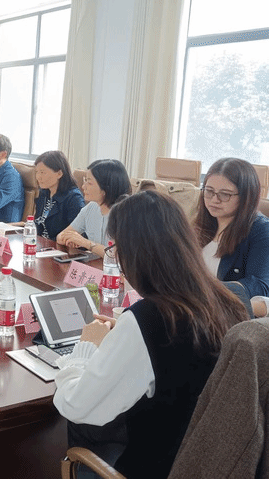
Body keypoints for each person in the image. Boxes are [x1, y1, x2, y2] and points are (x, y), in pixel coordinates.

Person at [53, 190, 248, 479]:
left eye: (115, 248)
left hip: (154, 467)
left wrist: (85, 348)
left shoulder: (148, 320)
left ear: (134, 251)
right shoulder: (229, 301)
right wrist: (127, 337)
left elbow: (76, 405)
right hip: (211, 464)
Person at [194, 157, 269, 317]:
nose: (214, 200)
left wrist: (205, 291)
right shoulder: (200, 223)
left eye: (225, 194)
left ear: (246, 196)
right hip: (194, 308)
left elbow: (260, 287)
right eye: (209, 191)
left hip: (224, 315)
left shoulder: (261, 230)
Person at [57, 159, 130, 257]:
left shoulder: (126, 214)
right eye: (85, 180)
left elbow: (117, 256)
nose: (83, 186)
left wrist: (85, 243)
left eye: (89, 182)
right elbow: (60, 236)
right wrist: (70, 239)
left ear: (106, 188)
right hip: (95, 264)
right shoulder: (91, 207)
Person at [32, 150, 85, 239]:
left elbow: (77, 234)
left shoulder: (74, 198)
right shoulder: (44, 193)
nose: (38, 177)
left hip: (59, 245)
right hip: (40, 243)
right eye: (37, 172)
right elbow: (38, 223)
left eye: (42, 172)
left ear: (59, 173)